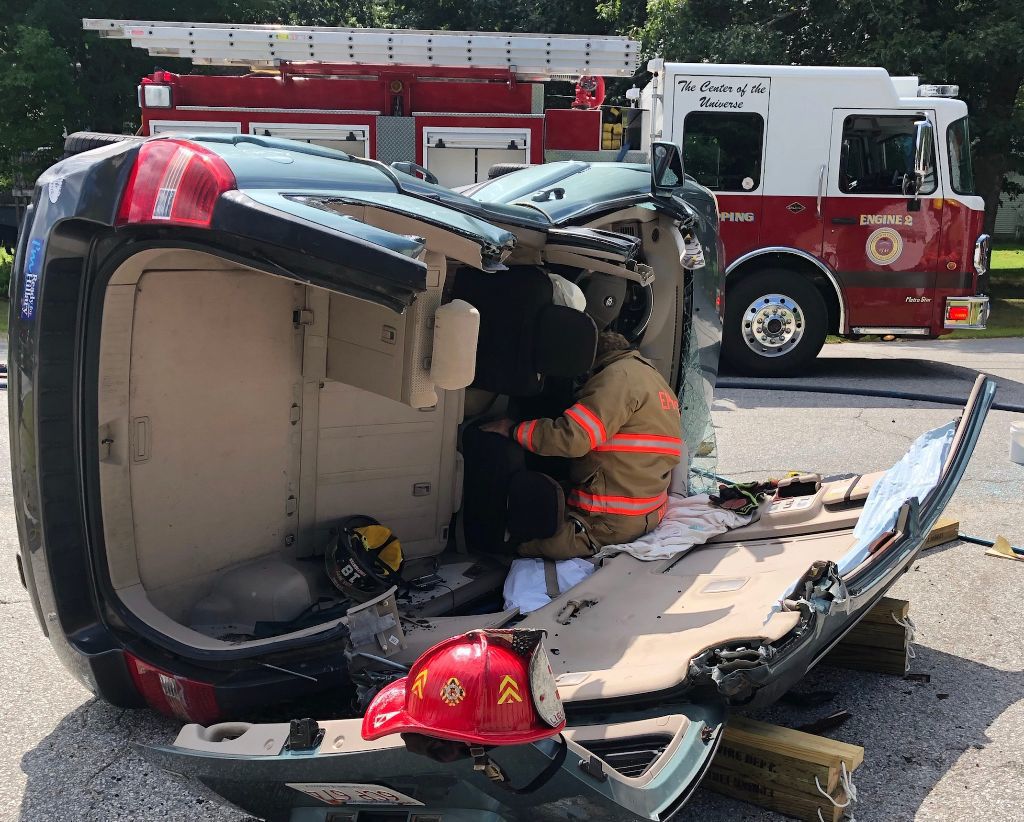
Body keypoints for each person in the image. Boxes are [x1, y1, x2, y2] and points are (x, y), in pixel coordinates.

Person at [481, 331, 682, 560]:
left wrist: (514, 430)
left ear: (592, 361)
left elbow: (573, 438)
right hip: (648, 514)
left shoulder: (617, 377)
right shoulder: (656, 381)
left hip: (608, 522)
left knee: (522, 545)